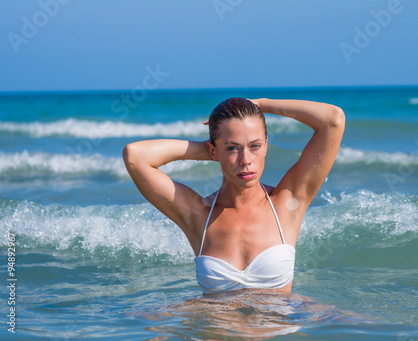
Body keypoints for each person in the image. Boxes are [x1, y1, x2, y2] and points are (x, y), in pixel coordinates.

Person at [123, 98, 345, 294]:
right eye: (233, 149)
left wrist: (263, 104)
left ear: (267, 145)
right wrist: (213, 151)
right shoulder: (198, 214)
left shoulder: (287, 202)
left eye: (255, 146)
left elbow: (333, 120)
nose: (245, 160)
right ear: (213, 151)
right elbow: (135, 156)